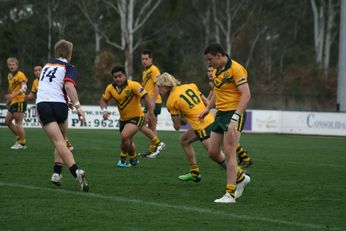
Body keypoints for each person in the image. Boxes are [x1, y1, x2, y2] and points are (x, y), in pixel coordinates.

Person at [156, 72, 250, 199]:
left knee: (217, 155)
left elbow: (177, 126)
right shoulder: (191, 86)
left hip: (202, 128)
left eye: (159, 87)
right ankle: (194, 171)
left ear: (166, 86)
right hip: (208, 119)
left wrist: (183, 117)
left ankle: (240, 176)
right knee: (184, 140)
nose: (158, 90)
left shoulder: (171, 101)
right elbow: (207, 101)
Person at [199, 43, 251, 203]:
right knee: (213, 152)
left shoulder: (236, 69)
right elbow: (217, 91)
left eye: (210, 59)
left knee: (229, 153)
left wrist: (235, 117)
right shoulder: (216, 71)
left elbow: (246, 95)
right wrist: (208, 108)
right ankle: (241, 178)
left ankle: (230, 194)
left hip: (233, 114)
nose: (208, 63)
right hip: (220, 114)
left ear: (219, 56)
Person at [36, 39, 88, 192]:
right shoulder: (69, 67)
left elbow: (54, 86)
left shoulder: (46, 66)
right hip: (59, 105)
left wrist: (72, 103)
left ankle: (76, 171)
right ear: (70, 54)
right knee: (62, 140)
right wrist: (78, 107)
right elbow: (68, 85)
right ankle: (57, 173)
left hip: (44, 104)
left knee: (58, 141)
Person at [100, 66, 165, 167]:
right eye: (115, 77)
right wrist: (104, 111)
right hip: (123, 119)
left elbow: (146, 97)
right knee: (128, 141)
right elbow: (104, 100)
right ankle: (133, 159)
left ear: (125, 76)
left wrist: (151, 113)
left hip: (137, 117)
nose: (118, 79)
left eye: (120, 76)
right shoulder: (110, 88)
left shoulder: (134, 85)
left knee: (124, 136)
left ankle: (122, 160)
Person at [207, 66, 253, 168]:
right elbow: (211, 98)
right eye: (208, 71)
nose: (210, 73)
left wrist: (206, 107)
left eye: (211, 71)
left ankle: (241, 164)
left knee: (227, 143)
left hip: (228, 111)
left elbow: (210, 100)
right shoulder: (213, 82)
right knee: (223, 143)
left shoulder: (222, 78)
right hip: (220, 111)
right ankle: (244, 157)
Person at [26, 64, 74, 151]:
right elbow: (32, 95)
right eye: (35, 70)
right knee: (53, 129)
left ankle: (64, 143)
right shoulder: (35, 82)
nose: (37, 72)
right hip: (44, 106)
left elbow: (64, 88)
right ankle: (63, 143)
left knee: (59, 127)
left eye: (39, 70)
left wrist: (69, 101)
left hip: (57, 104)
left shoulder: (51, 79)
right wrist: (25, 97)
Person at [139, 49, 164, 157]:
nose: (144, 61)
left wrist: (153, 101)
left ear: (151, 59)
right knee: (152, 126)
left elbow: (157, 85)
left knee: (141, 124)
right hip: (148, 102)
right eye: (142, 59)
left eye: (146, 59)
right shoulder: (144, 72)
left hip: (154, 102)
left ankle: (158, 145)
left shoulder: (154, 69)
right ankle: (153, 149)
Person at [4, 57, 28, 149]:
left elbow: (24, 88)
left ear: (17, 65)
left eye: (13, 64)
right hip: (14, 101)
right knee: (7, 121)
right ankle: (19, 139)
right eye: (10, 65)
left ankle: (22, 143)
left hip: (20, 101)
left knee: (18, 123)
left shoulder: (20, 74)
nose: (11, 66)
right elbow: (12, 89)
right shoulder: (9, 75)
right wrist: (9, 99)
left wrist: (12, 96)